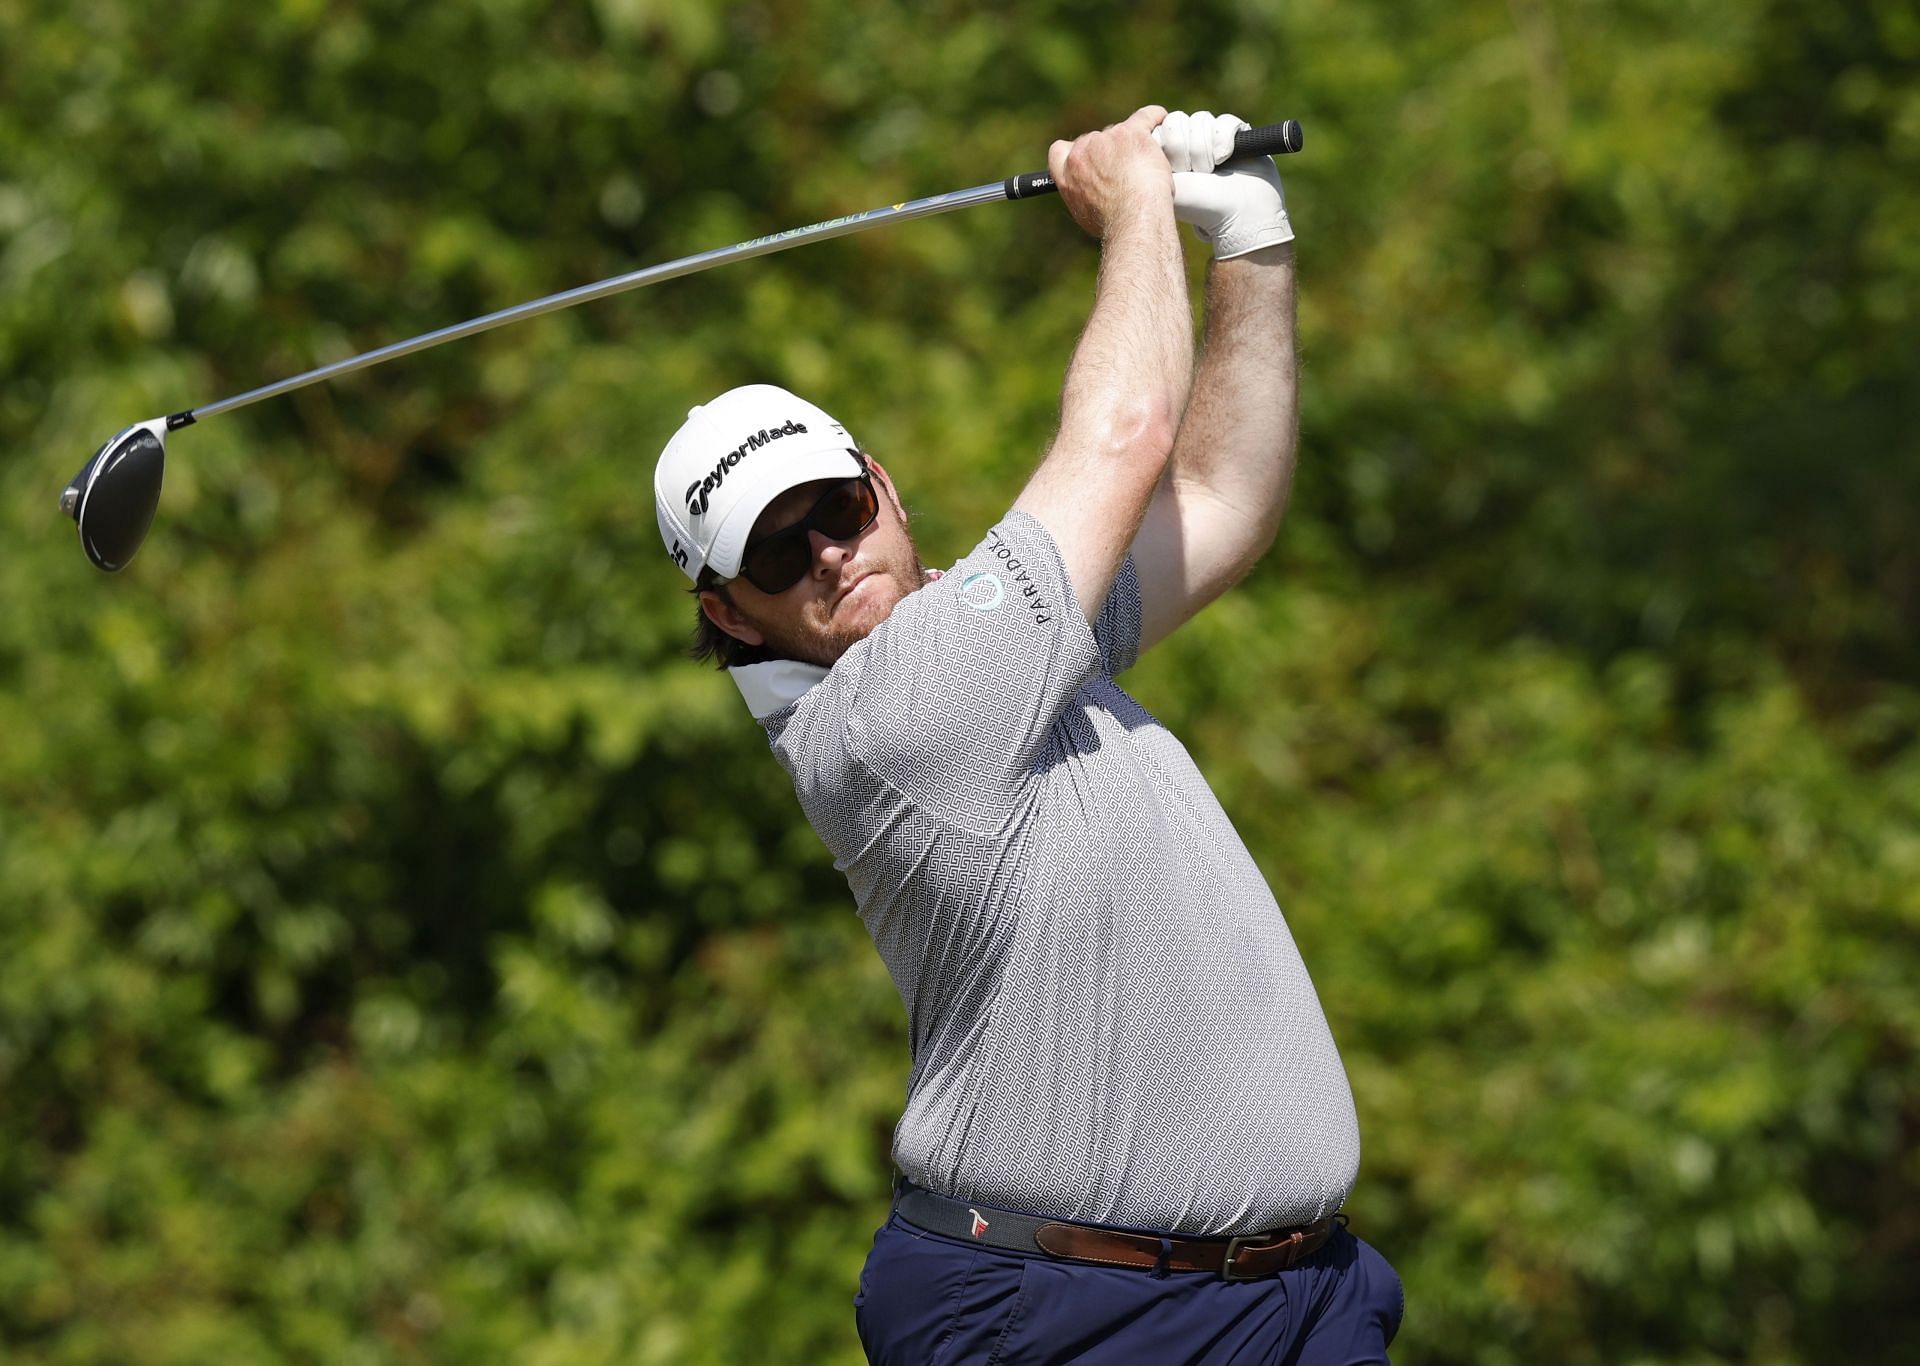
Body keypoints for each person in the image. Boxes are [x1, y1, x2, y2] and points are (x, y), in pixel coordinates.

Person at [651, 106, 1404, 1364]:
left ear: (881, 486)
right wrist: (1134, 207)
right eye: (780, 552)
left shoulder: (1002, 647)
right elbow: (1124, 435)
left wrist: (1253, 248)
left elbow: (1220, 503)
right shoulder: (896, 713)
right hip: (1073, 1313)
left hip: (1292, 1293)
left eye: (835, 507)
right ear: (732, 613)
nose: (831, 553)